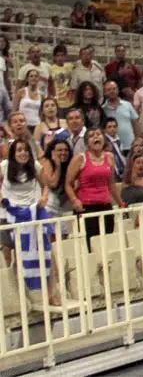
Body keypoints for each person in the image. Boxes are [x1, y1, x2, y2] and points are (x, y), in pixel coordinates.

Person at [64, 127, 125, 249]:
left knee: (106, 244)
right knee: (89, 246)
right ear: (87, 143)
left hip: (105, 206)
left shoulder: (110, 157)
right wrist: (74, 200)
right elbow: (68, 184)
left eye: (99, 134)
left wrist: (120, 203)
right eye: (92, 135)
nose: (96, 137)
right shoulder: (80, 159)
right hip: (86, 208)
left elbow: (111, 184)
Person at [0, 139, 48, 271]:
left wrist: (44, 197)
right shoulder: (5, 165)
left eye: (26, 150)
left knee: (24, 252)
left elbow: (45, 186)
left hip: (28, 213)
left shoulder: (35, 166)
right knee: (7, 251)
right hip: (7, 213)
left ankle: (27, 285)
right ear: (13, 153)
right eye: (19, 150)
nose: (23, 153)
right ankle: (13, 286)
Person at [102, 80, 140, 155]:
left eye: (114, 88)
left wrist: (138, 140)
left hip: (130, 145)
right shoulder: (103, 109)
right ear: (104, 92)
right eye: (109, 89)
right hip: (112, 148)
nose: (112, 91)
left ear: (118, 90)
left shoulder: (127, 105)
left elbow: (135, 124)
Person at [41, 139, 73, 220]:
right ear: (52, 152)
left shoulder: (70, 165)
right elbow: (53, 183)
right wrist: (57, 165)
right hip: (48, 207)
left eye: (66, 150)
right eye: (59, 150)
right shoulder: (47, 162)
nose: (63, 153)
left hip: (62, 208)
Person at [13, 69, 44, 133]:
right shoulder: (21, 92)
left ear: (38, 79)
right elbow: (14, 110)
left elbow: (41, 112)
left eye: (36, 76)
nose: (33, 78)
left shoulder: (41, 94)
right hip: (23, 125)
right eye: (31, 76)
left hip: (37, 125)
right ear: (27, 79)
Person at [49, 44, 74, 116]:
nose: (60, 58)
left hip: (69, 101)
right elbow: (50, 85)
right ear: (54, 57)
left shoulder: (70, 66)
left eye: (62, 55)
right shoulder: (51, 68)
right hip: (58, 101)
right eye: (58, 55)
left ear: (65, 56)